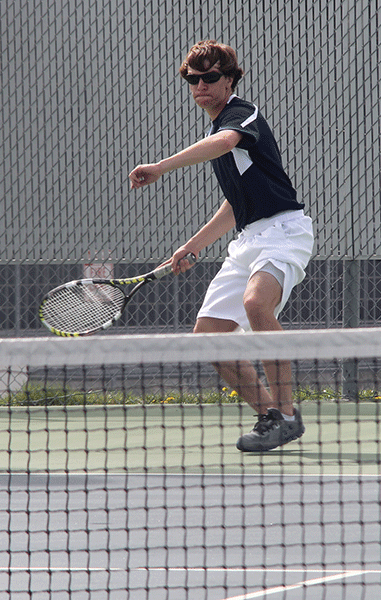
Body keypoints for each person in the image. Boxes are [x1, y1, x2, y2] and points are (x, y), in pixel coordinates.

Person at [128, 40, 314, 452]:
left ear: (229, 79)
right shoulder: (215, 130)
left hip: (285, 232)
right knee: (209, 336)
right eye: (193, 79)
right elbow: (236, 203)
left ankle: (284, 411)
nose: (200, 85)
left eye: (210, 77)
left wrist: (160, 166)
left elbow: (226, 142)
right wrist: (192, 245)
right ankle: (273, 417)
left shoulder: (239, 115)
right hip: (248, 240)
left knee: (255, 304)